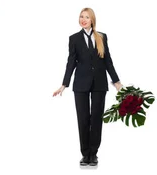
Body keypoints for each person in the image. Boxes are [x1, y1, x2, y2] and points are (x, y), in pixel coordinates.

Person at [52, 7, 122, 166]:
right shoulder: (74, 39)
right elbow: (71, 63)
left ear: (92, 20)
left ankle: (94, 154)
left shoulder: (102, 37)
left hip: (99, 83)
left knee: (96, 118)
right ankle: (85, 154)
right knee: (83, 119)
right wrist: (64, 85)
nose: (83, 19)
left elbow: (107, 61)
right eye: (81, 16)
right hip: (80, 84)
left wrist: (117, 82)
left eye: (86, 17)